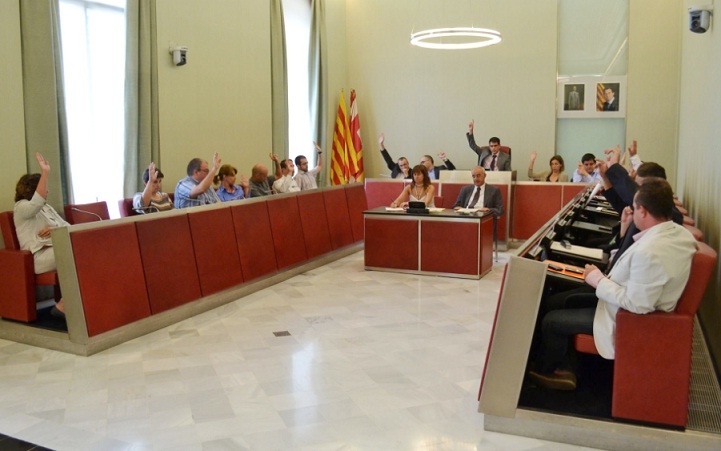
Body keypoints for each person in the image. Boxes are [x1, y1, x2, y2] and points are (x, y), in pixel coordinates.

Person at [528, 179, 697, 391]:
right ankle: (563, 360)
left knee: (551, 321)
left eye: (635, 209)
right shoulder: (675, 233)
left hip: (625, 319)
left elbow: (637, 304)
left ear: (643, 211)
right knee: (556, 301)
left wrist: (597, 279)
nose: (632, 212)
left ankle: (549, 371)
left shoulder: (651, 253)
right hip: (616, 301)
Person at [13, 152, 70, 318]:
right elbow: (35, 203)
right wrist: (45, 173)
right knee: (76, 253)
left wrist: (55, 230)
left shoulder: (46, 207)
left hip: (55, 250)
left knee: (85, 251)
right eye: (43, 186)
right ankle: (63, 307)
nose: (47, 190)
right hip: (38, 257)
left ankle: (70, 304)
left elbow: (66, 226)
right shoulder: (21, 207)